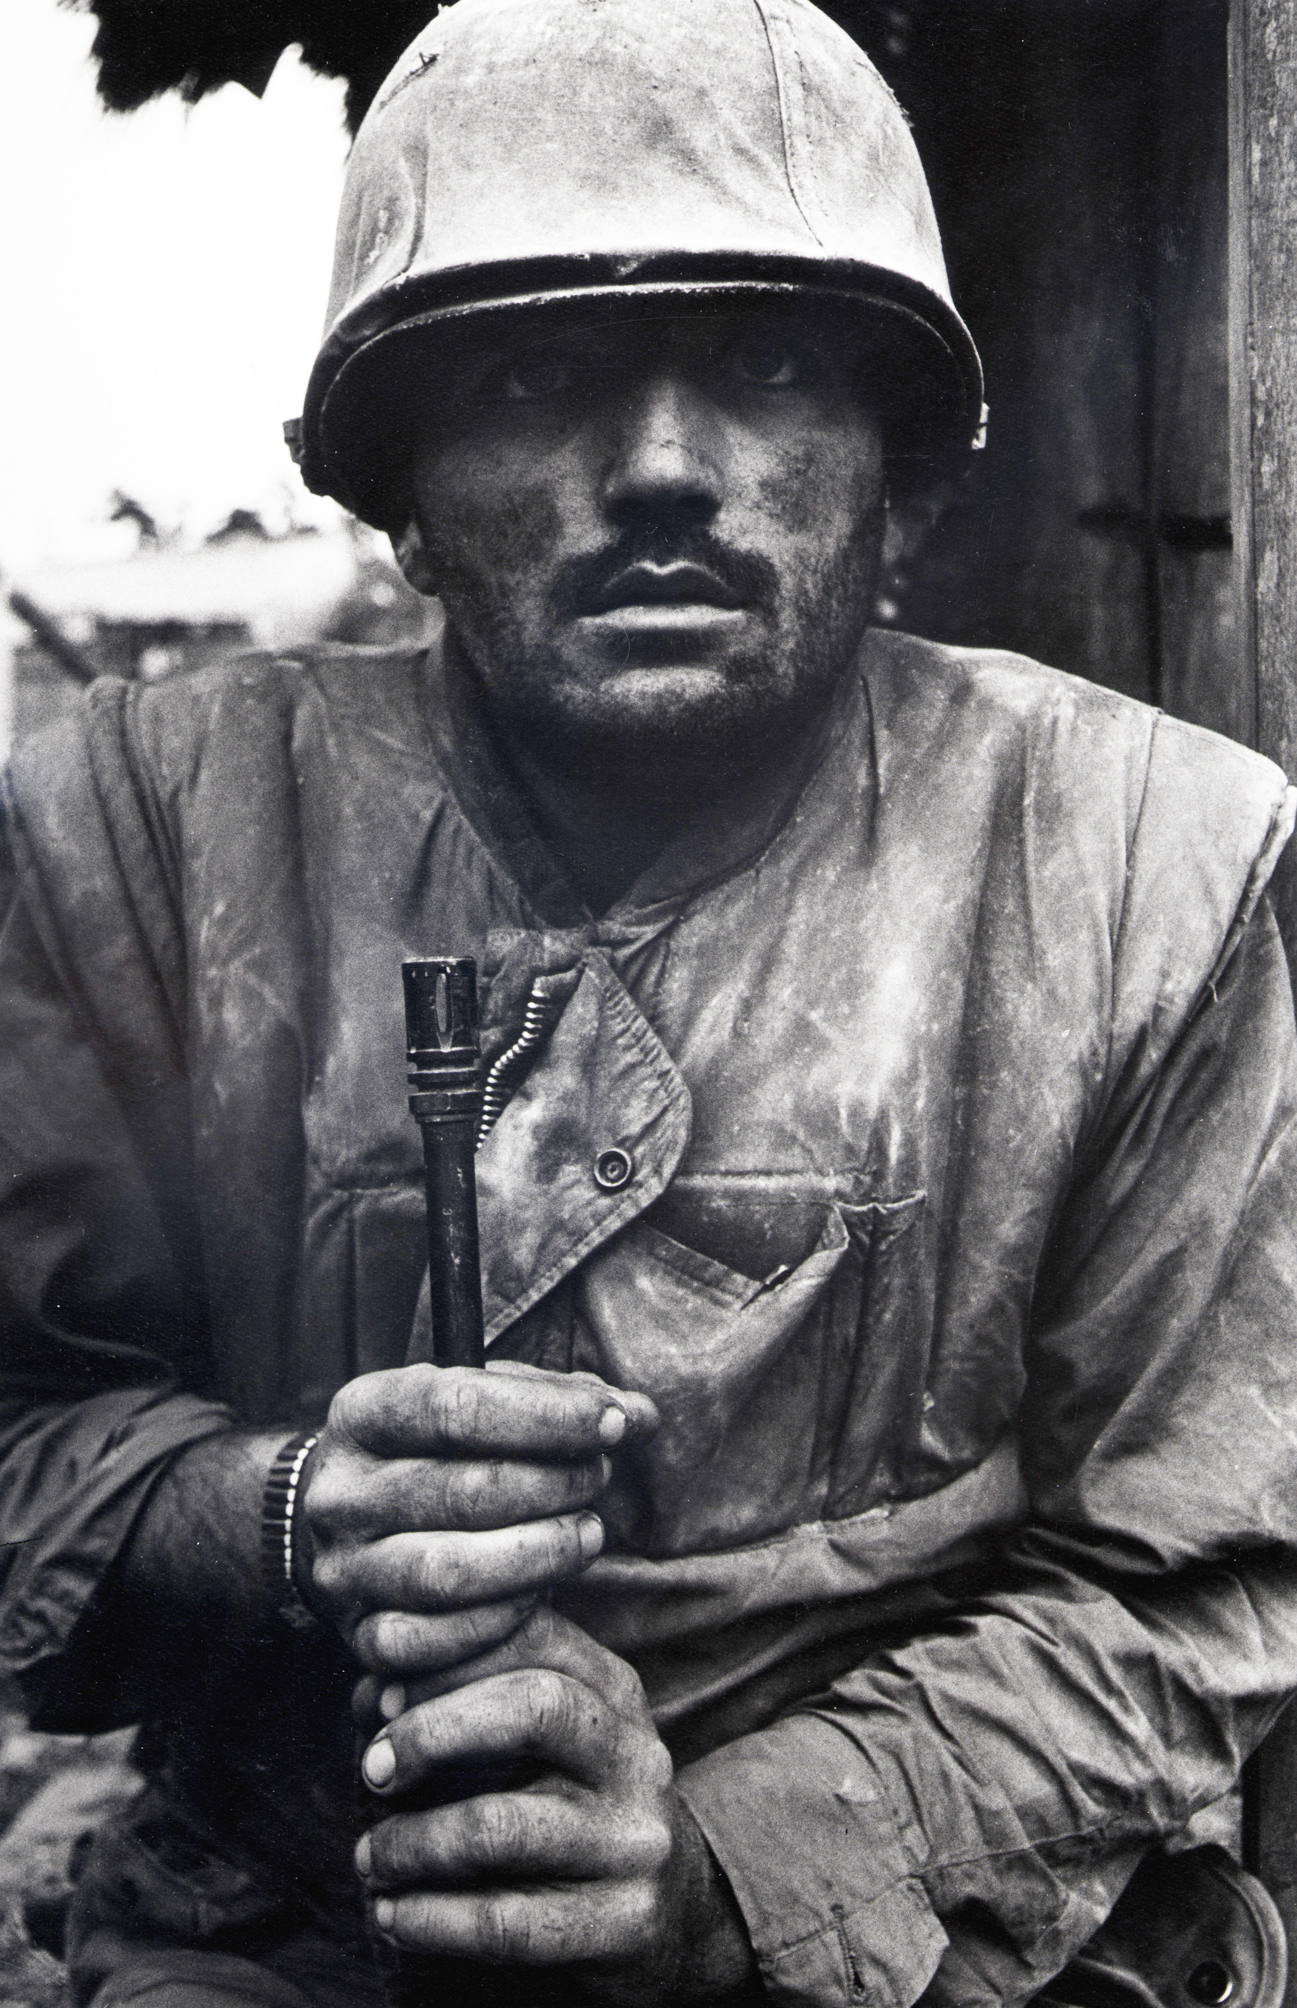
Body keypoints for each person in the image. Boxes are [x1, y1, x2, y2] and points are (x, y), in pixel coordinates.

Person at [3, 0, 1297, 2004]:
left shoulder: (1147, 862)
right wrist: (263, 1514)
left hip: (948, 1927)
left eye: (770, 364)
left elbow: (1192, 1578)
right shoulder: (125, 837)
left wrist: (739, 1871)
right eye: (533, 373)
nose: (665, 469)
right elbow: (23, 1436)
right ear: (400, 492)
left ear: (908, 484)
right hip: (297, 1923)